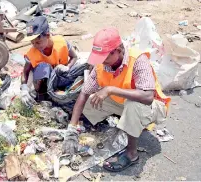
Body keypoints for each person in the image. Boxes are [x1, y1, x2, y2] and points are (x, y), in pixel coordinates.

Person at [62, 28, 171, 172]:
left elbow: (148, 97)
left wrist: (110, 89)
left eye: (105, 57)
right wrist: (72, 128)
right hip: (122, 103)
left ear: (118, 50)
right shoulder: (101, 65)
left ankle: (132, 154)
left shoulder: (138, 60)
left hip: (153, 106)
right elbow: (83, 93)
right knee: (90, 100)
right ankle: (125, 122)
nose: (102, 62)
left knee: (133, 106)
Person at [21, 16, 79, 107]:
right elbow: (25, 72)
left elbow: (74, 57)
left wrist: (67, 67)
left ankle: (61, 95)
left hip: (62, 77)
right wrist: (24, 89)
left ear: (47, 35)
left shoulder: (61, 42)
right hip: (45, 84)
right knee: (43, 67)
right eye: (32, 43)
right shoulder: (31, 53)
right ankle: (43, 98)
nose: (35, 45)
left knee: (81, 69)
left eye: (38, 42)